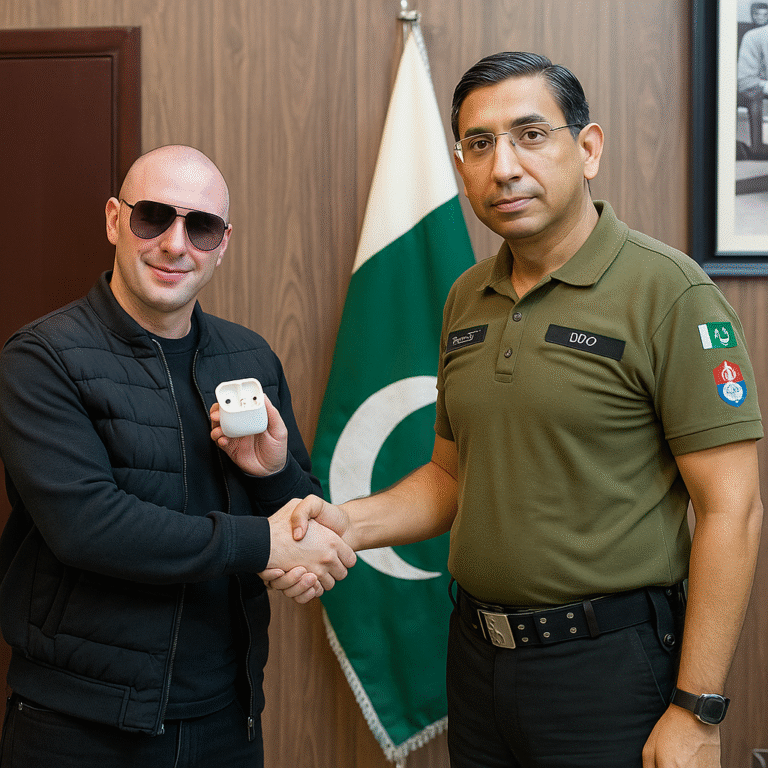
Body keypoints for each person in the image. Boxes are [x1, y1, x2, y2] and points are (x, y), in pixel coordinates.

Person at [266, 53, 764, 767]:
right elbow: (450, 476)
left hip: (609, 670)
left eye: (530, 135)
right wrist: (345, 522)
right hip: (477, 659)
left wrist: (698, 710)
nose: (503, 166)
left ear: (587, 149)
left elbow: (733, 510)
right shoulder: (467, 297)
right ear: (462, 165)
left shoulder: (670, 293)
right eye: (479, 143)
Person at [0, 145, 355, 768]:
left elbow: (297, 507)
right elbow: (88, 527)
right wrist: (267, 545)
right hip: (81, 726)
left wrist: (273, 473)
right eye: (153, 218)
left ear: (222, 243)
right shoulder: (41, 359)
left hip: (226, 715)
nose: (174, 244)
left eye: (201, 226)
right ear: (115, 219)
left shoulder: (250, 358)